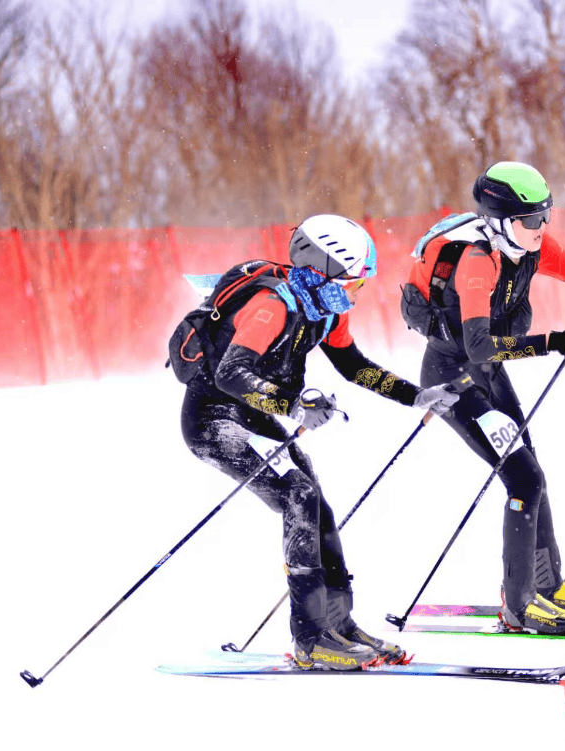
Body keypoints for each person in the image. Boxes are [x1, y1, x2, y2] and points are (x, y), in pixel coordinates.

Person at [401, 161, 565, 635]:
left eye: (546, 215)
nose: (542, 226)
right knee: (524, 478)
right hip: (452, 381)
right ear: (502, 221)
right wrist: (553, 342)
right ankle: (519, 604)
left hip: (485, 374)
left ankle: (547, 586)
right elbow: (478, 347)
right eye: (531, 219)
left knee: (531, 473)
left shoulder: (531, 247)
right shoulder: (477, 262)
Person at [178, 214, 459, 669]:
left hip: (254, 414)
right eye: (354, 282)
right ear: (323, 272)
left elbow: (353, 365)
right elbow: (230, 375)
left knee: (315, 504)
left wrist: (416, 396)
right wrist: (293, 405)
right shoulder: (272, 306)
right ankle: (310, 638)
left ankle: (338, 624)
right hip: (214, 419)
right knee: (298, 495)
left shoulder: (327, 307)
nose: (358, 293)